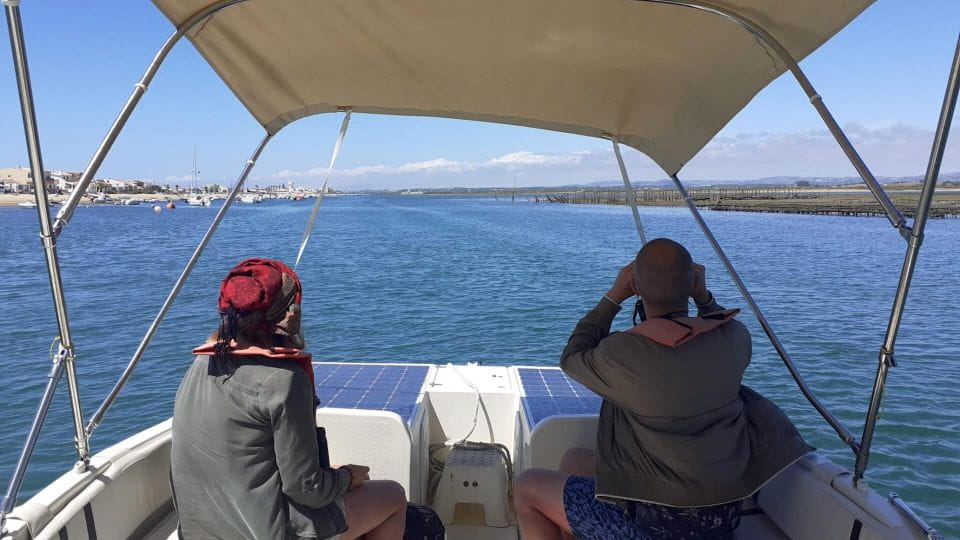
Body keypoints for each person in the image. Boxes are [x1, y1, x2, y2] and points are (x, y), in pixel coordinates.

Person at [514, 238, 812, 539]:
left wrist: (614, 296)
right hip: (720, 517)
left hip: (654, 527)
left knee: (527, 487)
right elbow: (720, 321)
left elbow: (573, 356)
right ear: (693, 282)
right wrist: (704, 297)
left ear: (637, 289)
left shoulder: (624, 352)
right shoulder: (735, 339)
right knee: (574, 460)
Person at [171, 258, 406, 539]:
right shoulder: (282, 382)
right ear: (291, 314)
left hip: (200, 531)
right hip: (266, 532)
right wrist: (347, 477)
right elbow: (306, 490)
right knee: (393, 495)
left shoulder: (201, 364)